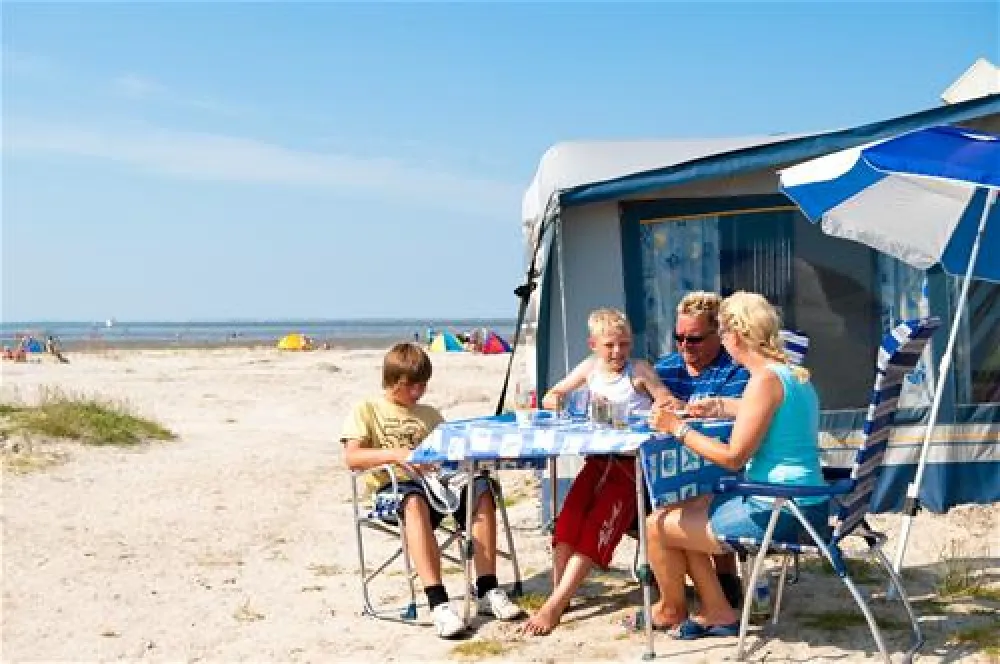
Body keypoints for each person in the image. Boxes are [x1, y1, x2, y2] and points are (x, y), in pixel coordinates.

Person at [645, 291, 830, 639]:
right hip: (806, 502)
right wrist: (719, 406)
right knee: (686, 508)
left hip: (780, 511)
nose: (724, 339)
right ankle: (718, 610)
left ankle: (671, 610)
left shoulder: (763, 381)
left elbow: (733, 457)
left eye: (723, 331)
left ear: (736, 335)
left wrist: (678, 428)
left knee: (658, 524)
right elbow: (770, 413)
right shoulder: (790, 374)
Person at [340, 342, 523, 639]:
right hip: (393, 490)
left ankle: (488, 588)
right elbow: (352, 458)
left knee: (481, 488)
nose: (417, 393)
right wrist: (397, 454)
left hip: (438, 486)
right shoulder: (367, 410)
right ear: (391, 381)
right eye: (410, 386)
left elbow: (450, 452)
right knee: (413, 500)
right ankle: (438, 604)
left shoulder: (429, 414)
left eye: (422, 386)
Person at [519, 308, 676, 636]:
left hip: (631, 469)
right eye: (610, 345)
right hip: (597, 462)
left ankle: (556, 604)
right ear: (593, 344)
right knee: (567, 523)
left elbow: (667, 401)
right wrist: (580, 401)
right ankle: (560, 591)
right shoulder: (590, 369)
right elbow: (551, 397)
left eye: (624, 344)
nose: (618, 352)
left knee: (593, 530)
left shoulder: (639, 370)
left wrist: (656, 404)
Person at [653, 291, 751, 612]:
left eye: (693, 339)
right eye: (678, 337)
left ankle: (721, 582)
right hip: (668, 467)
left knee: (701, 485)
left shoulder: (737, 371)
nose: (684, 347)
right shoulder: (664, 370)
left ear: (718, 335)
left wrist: (684, 414)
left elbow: (736, 426)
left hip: (720, 469)